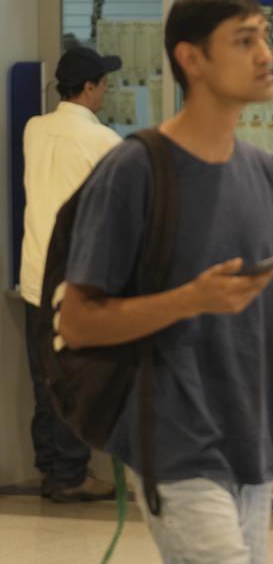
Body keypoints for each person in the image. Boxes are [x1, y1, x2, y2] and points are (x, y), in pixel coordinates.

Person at [57, 0, 273, 562]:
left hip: (253, 439)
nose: (265, 55)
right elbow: (79, 321)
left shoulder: (263, 173)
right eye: (244, 40)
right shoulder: (136, 169)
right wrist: (188, 300)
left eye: (264, 37)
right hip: (171, 437)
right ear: (192, 58)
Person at [20, 45, 122, 503]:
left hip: (34, 274)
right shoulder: (104, 142)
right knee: (73, 377)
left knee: (44, 375)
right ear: (87, 88)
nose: (106, 91)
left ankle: (53, 469)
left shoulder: (34, 130)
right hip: (76, 279)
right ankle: (70, 475)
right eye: (103, 83)